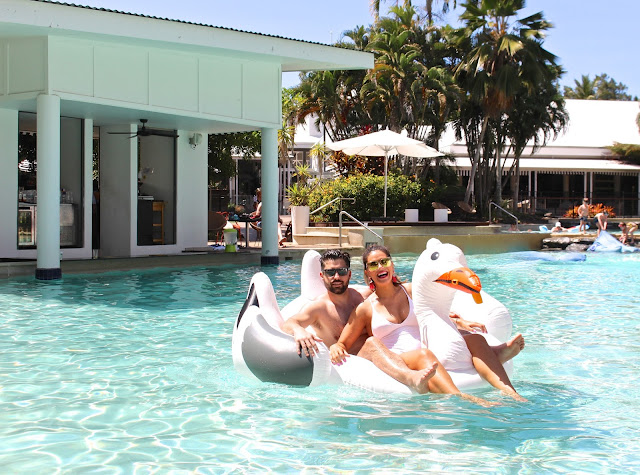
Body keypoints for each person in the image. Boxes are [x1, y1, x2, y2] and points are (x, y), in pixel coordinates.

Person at [282, 249, 524, 400]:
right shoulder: (349, 307)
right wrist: (302, 332)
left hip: (421, 344)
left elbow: (431, 310)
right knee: (414, 352)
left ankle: (507, 384)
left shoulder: (372, 294)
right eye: (330, 272)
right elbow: (295, 324)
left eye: (342, 271)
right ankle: (459, 397)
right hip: (391, 356)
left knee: (475, 338)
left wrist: (459, 320)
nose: (337, 276)